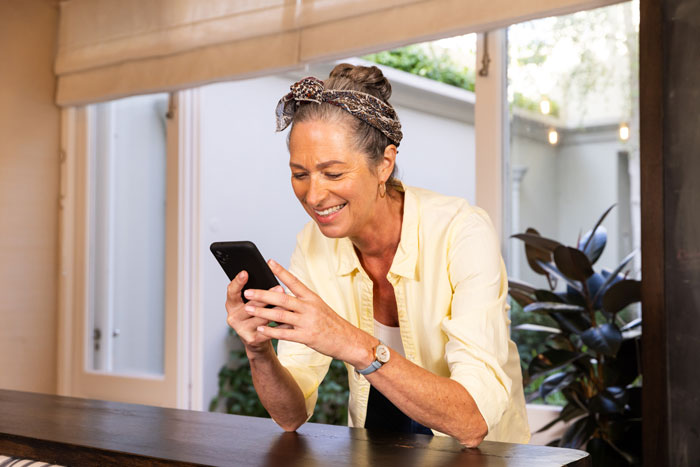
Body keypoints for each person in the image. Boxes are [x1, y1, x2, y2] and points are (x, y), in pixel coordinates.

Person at [225, 64, 530, 446]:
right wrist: (259, 352)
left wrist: (348, 341)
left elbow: (471, 422)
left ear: (384, 163)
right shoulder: (313, 243)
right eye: (300, 174)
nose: (314, 196)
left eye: (333, 174)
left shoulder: (463, 232)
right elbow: (290, 415)